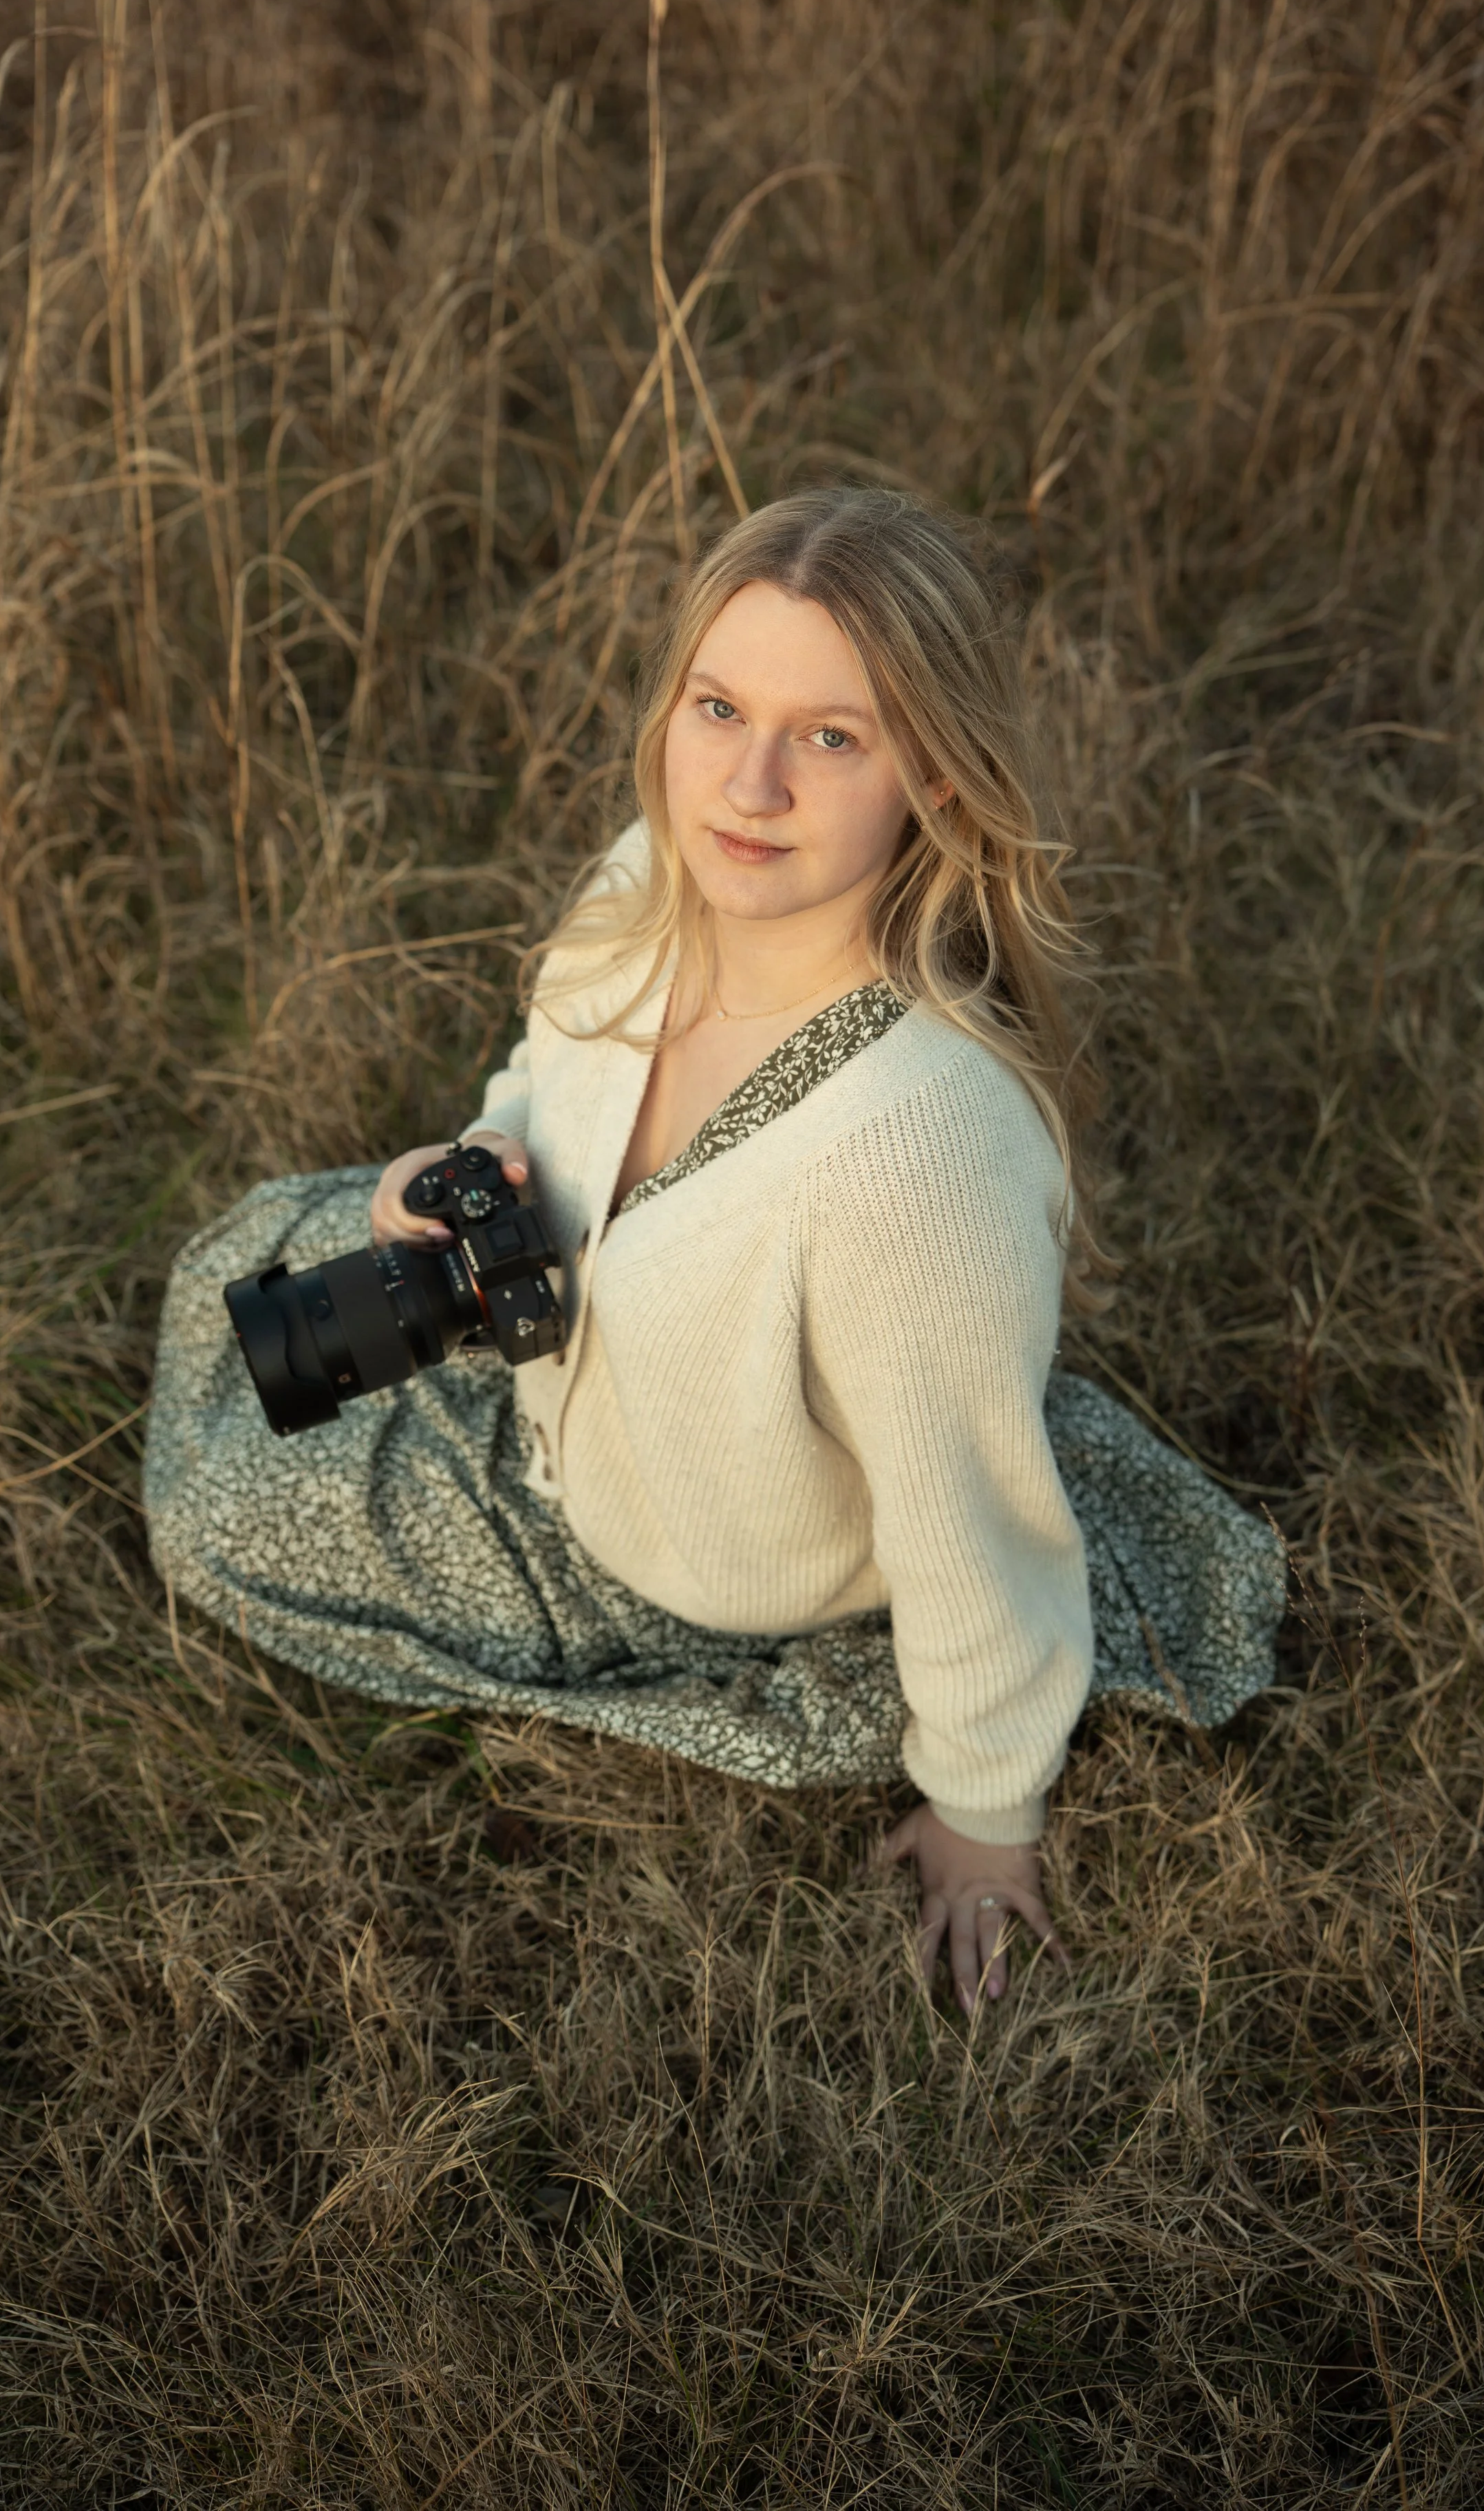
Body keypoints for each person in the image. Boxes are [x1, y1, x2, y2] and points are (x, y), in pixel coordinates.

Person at [144, 487, 1283, 2018]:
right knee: (252, 1298)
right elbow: (532, 1086)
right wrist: (446, 1175)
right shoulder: (649, 882)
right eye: (717, 706)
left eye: (830, 737)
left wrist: (981, 1813)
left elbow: (964, 1515)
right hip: (560, 1379)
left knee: (222, 1511)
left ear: (934, 781)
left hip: (692, 1540)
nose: (746, 784)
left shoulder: (913, 1150)